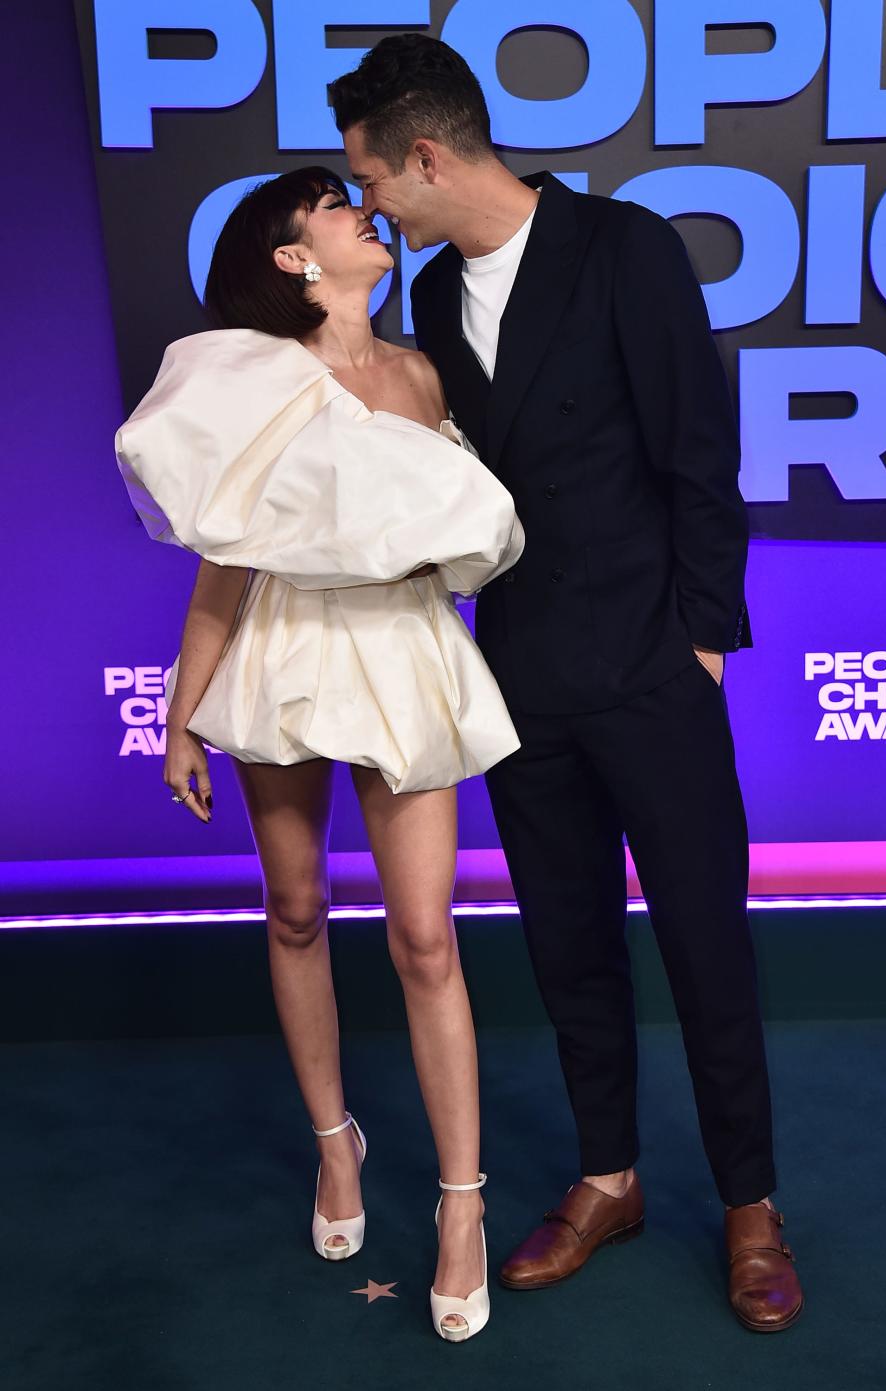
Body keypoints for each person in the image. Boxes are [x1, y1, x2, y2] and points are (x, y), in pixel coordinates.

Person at [330, 37, 804, 1332]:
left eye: (376, 179)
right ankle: (610, 1176)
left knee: (707, 936)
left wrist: (701, 640)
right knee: (568, 939)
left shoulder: (623, 247)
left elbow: (700, 453)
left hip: (653, 667)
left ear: (427, 155)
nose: (373, 207)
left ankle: (752, 1203)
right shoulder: (430, 301)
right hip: (520, 676)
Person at [116, 167, 525, 1343]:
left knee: (426, 935)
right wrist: (182, 712)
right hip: (285, 644)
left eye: (364, 198)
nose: (366, 214)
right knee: (293, 906)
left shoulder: (418, 372)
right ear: (295, 256)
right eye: (338, 207)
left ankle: (461, 1203)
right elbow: (223, 561)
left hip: (401, 647)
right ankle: (332, 1141)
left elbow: (456, 535)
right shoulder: (247, 376)